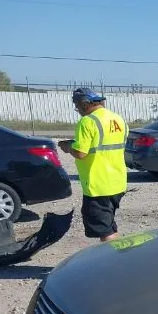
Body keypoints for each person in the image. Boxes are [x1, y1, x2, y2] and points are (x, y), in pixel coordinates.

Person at [58, 88, 128, 242]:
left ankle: (113, 262)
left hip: (98, 186)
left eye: (77, 106)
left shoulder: (88, 121)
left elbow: (81, 153)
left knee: (105, 230)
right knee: (108, 226)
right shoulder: (118, 119)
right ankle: (117, 258)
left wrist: (68, 146)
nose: (78, 110)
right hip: (117, 182)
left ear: (85, 103)